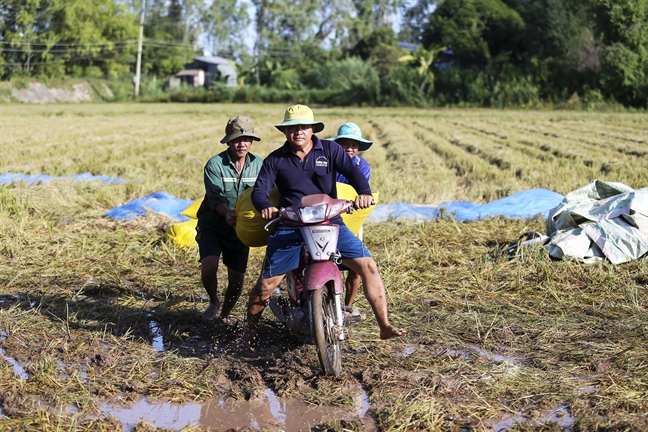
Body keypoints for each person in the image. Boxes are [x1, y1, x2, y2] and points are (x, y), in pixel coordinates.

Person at [244, 104, 405, 344]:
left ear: (312, 129)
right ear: (285, 132)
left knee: (369, 265)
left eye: (303, 127)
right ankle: (249, 334)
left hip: (330, 222)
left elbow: (353, 172)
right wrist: (265, 207)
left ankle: (384, 325)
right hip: (291, 225)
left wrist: (364, 192)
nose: (298, 132)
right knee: (265, 286)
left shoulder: (330, 150)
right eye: (292, 128)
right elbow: (260, 190)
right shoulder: (276, 159)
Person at [195, 115, 263, 325]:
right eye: (236, 140)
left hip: (240, 229)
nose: (241, 144)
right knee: (209, 266)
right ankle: (213, 302)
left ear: (251, 141)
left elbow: (265, 193)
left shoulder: (259, 165)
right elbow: (216, 197)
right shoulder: (216, 164)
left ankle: (224, 314)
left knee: (236, 280)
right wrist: (226, 212)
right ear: (229, 141)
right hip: (213, 224)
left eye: (245, 139)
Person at [331, 122, 373, 309]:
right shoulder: (327, 162)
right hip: (327, 215)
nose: (349, 148)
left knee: (356, 267)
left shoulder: (362, 167)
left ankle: (347, 307)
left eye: (354, 144)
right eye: (345, 143)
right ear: (337, 144)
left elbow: (360, 192)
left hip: (350, 217)